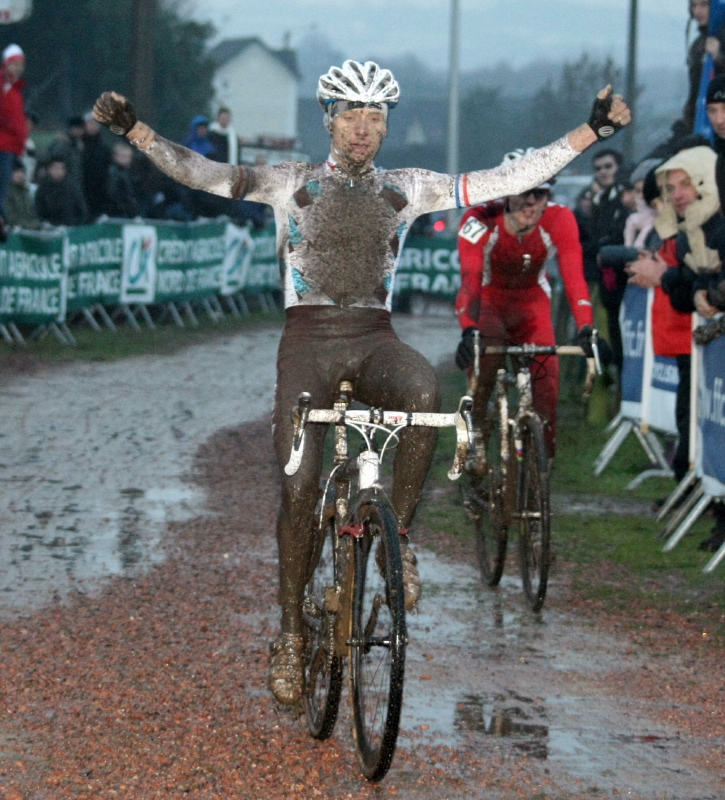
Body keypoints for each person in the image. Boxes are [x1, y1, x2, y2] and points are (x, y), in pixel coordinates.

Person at [92, 61, 630, 705]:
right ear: (328, 118)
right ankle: (291, 634)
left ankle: (395, 541)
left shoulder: (409, 186)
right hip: (308, 344)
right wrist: (137, 132)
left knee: (425, 394)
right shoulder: (290, 180)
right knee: (297, 490)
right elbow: (206, 174)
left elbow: (507, 177)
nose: (363, 129)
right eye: (351, 115)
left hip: (376, 339)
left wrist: (589, 132)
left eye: (375, 117)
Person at [454, 150, 597, 459]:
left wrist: (587, 326)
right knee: (484, 366)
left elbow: (574, 276)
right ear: (505, 192)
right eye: (522, 192)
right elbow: (470, 281)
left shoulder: (560, 218)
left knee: (547, 383)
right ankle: (476, 434)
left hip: (532, 305)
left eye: (540, 193)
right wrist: (469, 330)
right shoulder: (479, 219)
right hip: (491, 303)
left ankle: (539, 465)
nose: (531, 203)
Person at [627, 147, 725, 552]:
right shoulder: (691, 230)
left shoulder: (717, 225)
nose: (679, 194)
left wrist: (699, 288)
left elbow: (697, 283)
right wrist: (692, 287)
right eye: (671, 187)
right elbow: (689, 288)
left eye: (686, 184)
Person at [586, 148, 630, 374]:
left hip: (624, 279)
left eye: (608, 166)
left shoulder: (623, 200)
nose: (603, 172)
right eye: (598, 168)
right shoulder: (599, 200)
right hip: (605, 280)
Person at [683, 0, 725, 132]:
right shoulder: (698, 46)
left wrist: (718, 57)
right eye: (694, 6)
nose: (698, 12)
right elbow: (694, 94)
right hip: (702, 125)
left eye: (703, 5)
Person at [0, 44, 28, 223]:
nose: (18, 68)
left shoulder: (15, 89)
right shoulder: (4, 85)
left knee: (4, 189)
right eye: (14, 63)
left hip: (12, 147)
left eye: (21, 64)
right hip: (3, 145)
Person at [34, 156, 87, 227]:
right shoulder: (43, 188)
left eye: (62, 169)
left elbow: (82, 211)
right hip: (51, 228)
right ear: (49, 169)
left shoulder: (72, 187)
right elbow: (39, 211)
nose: (59, 172)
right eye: (56, 168)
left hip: (71, 227)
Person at [82, 111, 111, 220]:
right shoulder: (79, 147)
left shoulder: (104, 149)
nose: (93, 126)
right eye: (90, 123)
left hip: (100, 194)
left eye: (95, 123)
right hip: (83, 192)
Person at [104, 141, 140, 218]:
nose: (126, 159)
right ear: (114, 156)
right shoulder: (114, 174)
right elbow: (113, 194)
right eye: (123, 156)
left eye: (129, 157)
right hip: (118, 213)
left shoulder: (128, 173)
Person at [5, 157, 39, 229]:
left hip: (29, 228)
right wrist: (33, 226)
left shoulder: (26, 191)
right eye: (16, 171)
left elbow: (32, 214)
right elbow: (10, 219)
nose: (20, 175)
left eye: (22, 171)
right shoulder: (6, 192)